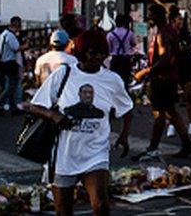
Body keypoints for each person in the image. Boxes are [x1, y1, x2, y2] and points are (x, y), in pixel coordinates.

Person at [28, 28, 133, 216]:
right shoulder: (64, 74)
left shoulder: (112, 80)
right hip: (64, 154)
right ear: (82, 52)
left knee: (101, 206)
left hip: (95, 153)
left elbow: (127, 109)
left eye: (101, 53)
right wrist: (55, 116)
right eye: (92, 52)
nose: (97, 57)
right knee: (63, 210)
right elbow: (35, 106)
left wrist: (124, 136)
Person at [132, 5, 191, 161]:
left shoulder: (164, 34)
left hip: (162, 79)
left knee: (159, 113)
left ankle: (153, 148)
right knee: (170, 112)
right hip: (167, 77)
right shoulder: (167, 31)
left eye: (151, 15)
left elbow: (165, 58)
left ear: (159, 16)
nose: (149, 18)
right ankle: (186, 144)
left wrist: (145, 72)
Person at [168, 7, 191, 137]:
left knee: (189, 95)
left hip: (186, 66)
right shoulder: (168, 33)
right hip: (173, 67)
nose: (181, 21)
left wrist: (183, 48)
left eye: (181, 19)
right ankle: (172, 124)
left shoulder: (185, 33)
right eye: (179, 19)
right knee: (171, 98)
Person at [0, 16, 24, 115]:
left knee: (9, 86)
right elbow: (16, 48)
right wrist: (26, 45)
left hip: (3, 62)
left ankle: (12, 107)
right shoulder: (11, 36)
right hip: (10, 63)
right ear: (17, 24)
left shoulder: (3, 34)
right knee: (11, 87)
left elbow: (0, 50)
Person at [106, 14, 136, 88]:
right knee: (125, 80)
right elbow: (133, 44)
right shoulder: (129, 33)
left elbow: (109, 48)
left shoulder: (110, 34)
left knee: (114, 79)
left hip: (115, 59)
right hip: (126, 59)